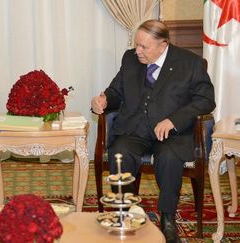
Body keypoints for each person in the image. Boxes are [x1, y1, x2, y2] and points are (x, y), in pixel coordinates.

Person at [91, 19, 215, 242]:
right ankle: (124, 213)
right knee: (121, 152)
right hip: (134, 129)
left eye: (143, 47)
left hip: (171, 134)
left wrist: (174, 120)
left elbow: (206, 100)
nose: (137, 51)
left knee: (169, 157)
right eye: (136, 44)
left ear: (163, 45)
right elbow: (116, 92)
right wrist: (103, 100)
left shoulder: (189, 63)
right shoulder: (130, 59)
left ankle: (167, 219)